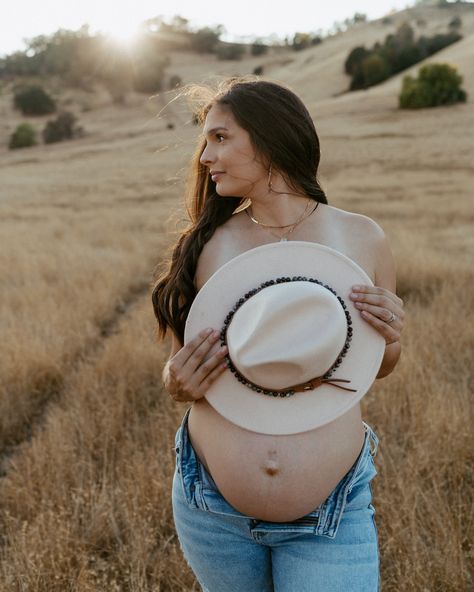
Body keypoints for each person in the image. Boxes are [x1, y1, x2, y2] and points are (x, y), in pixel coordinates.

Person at [152, 77, 404, 592]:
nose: (204, 157)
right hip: (212, 511)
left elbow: (379, 362)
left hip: (331, 511)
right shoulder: (206, 246)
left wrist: (392, 334)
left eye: (220, 138)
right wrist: (177, 382)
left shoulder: (362, 237)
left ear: (269, 139)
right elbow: (179, 372)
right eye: (207, 140)